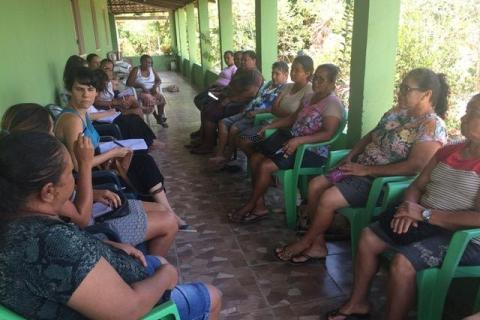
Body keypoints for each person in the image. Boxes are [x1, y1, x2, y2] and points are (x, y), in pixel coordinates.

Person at [0, 131, 221, 320]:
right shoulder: (48, 243)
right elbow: (127, 311)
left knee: (157, 259)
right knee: (212, 295)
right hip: (135, 304)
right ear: (48, 191)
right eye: (69, 174)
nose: (73, 180)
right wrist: (166, 276)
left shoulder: (15, 220)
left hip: (108, 276)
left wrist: (105, 246)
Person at [327, 93, 480, 320]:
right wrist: (410, 207)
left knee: (402, 263)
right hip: (424, 219)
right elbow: (417, 186)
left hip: (462, 236)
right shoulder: (448, 150)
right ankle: (358, 302)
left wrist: (425, 214)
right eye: (466, 111)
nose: (464, 117)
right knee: (368, 237)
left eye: (473, 113)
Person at [276, 67, 449, 264]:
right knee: (315, 185)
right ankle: (318, 244)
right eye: (400, 87)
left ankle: (305, 241)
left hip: (378, 181)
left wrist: (367, 170)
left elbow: (414, 167)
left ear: (426, 94)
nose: (400, 92)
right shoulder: (396, 111)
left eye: (406, 89)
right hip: (358, 169)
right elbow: (370, 136)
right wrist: (351, 155)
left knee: (327, 199)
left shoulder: (431, 126)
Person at [1, 103, 177, 256]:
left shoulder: (25, 170)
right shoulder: (38, 185)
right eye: (51, 131)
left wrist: (94, 192)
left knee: (161, 208)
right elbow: (82, 219)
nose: (54, 136)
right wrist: (85, 164)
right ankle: (143, 270)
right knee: (168, 221)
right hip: (90, 234)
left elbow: (70, 193)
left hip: (90, 211)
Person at [54, 66, 188, 229]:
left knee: (143, 159)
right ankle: (168, 214)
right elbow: (79, 165)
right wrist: (114, 152)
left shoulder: (81, 113)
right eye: (79, 89)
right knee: (144, 164)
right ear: (69, 90)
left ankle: (167, 212)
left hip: (97, 163)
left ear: (96, 91)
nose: (85, 95)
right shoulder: (72, 121)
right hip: (89, 176)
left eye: (90, 89)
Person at [230, 64, 345, 223]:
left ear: (332, 83)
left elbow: (328, 133)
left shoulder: (332, 104)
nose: (316, 82)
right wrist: (271, 125)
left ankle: (250, 205)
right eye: (315, 77)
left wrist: (300, 140)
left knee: (265, 166)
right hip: (290, 140)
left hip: (311, 151)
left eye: (322, 79)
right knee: (256, 157)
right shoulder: (309, 97)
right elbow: (292, 119)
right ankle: (259, 205)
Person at [208, 61, 289, 169]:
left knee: (234, 129)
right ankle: (220, 154)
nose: (274, 76)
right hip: (248, 111)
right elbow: (256, 97)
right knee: (222, 122)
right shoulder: (269, 84)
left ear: (286, 75)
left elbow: (275, 108)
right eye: (272, 73)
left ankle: (227, 157)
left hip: (258, 116)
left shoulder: (284, 89)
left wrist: (258, 112)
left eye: (277, 74)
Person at [237, 55, 315, 157]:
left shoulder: (309, 91)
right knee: (241, 139)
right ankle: (256, 163)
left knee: (246, 142)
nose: (292, 72)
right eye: (292, 69)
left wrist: (284, 113)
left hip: (284, 130)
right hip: (273, 123)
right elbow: (274, 109)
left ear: (307, 73)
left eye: (297, 70)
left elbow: (296, 117)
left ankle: (258, 162)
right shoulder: (287, 86)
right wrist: (287, 114)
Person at [189, 50, 264, 154]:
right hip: (226, 99)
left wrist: (229, 99)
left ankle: (208, 145)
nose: (242, 62)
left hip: (237, 105)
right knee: (206, 107)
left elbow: (250, 94)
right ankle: (203, 140)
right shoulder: (241, 71)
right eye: (242, 60)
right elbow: (230, 86)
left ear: (254, 60)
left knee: (210, 113)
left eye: (245, 60)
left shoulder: (255, 75)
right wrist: (221, 93)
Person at [126, 54, 168, 127]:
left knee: (161, 98)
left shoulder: (151, 69)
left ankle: (160, 116)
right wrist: (142, 86)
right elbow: (129, 83)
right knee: (148, 98)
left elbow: (158, 80)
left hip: (152, 90)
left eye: (150, 62)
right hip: (140, 92)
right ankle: (156, 116)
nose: (149, 64)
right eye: (147, 62)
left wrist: (155, 87)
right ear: (141, 62)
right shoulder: (136, 70)